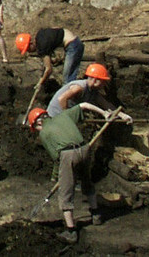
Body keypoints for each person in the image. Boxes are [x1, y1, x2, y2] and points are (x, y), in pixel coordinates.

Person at [27, 103, 111, 244]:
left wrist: (55, 177)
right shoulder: (64, 116)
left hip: (68, 155)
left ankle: (71, 231)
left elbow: (56, 159)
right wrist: (103, 113)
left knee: (65, 192)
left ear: (39, 122)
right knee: (86, 181)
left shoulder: (44, 133)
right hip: (84, 149)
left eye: (36, 128)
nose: (37, 130)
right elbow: (83, 105)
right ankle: (96, 214)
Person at [47, 63, 133, 122]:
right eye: (103, 81)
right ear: (95, 80)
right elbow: (62, 98)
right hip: (54, 117)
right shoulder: (79, 87)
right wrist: (67, 117)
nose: (104, 85)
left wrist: (123, 115)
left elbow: (106, 105)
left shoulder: (92, 91)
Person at [15, 27, 84, 85]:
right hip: (74, 41)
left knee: (67, 81)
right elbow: (56, 30)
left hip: (73, 46)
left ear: (31, 43)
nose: (29, 51)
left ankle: (72, 100)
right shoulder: (40, 34)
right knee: (69, 78)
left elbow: (48, 69)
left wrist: (41, 82)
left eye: (28, 49)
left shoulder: (42, 47)